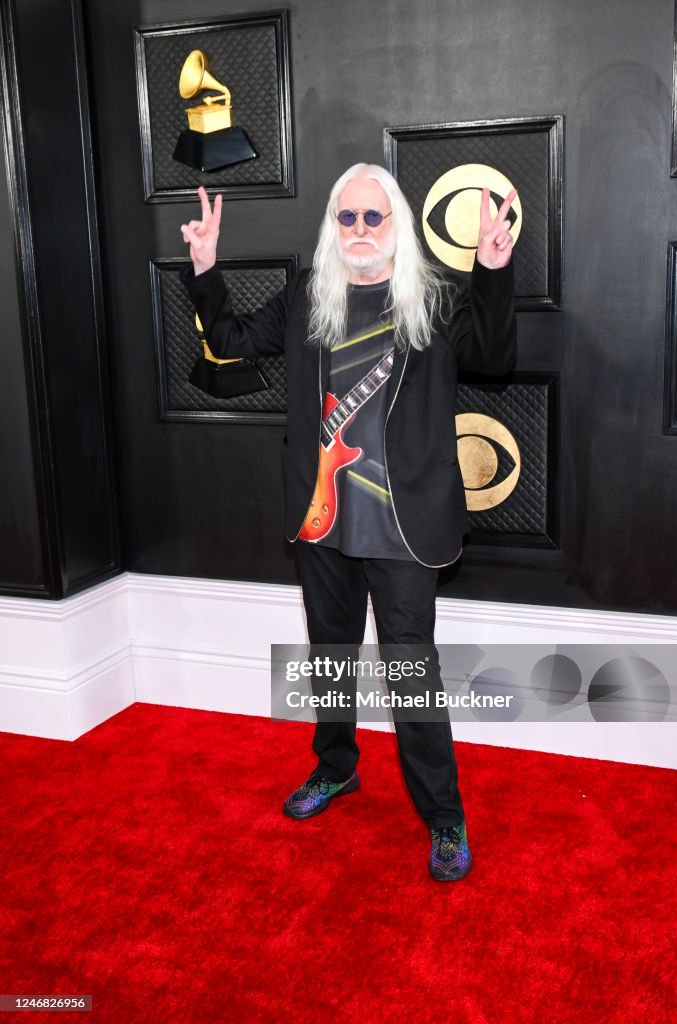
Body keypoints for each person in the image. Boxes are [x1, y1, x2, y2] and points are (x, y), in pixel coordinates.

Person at [180, 163, 516, 881]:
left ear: (395, 222)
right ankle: (335, 769)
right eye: (347, 218)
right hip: (323, 517)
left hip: (404, 525)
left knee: (409, 674)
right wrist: (205, 269)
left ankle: (444, 817)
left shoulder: (432, 300)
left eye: (373, 217)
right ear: (333, 225)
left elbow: (493, 359)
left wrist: (491, 270)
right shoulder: (309, 297)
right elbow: (233, 339)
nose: (360, 231)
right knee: (330, 656)